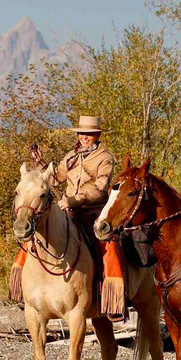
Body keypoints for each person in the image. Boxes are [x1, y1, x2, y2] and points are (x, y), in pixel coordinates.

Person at [28, 115, 125, 316]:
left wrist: (73, 200)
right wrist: (40, 164)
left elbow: (100, 189)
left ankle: (110, 298)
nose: (84, 137)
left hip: (92, 213)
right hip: (66, 212)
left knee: (109, 247)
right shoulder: (72, 155)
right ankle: (25, 289)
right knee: (32, 238)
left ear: (97, 135)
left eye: (88, 134)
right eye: (82, 133)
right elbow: (54, 179)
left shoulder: (105, 158)